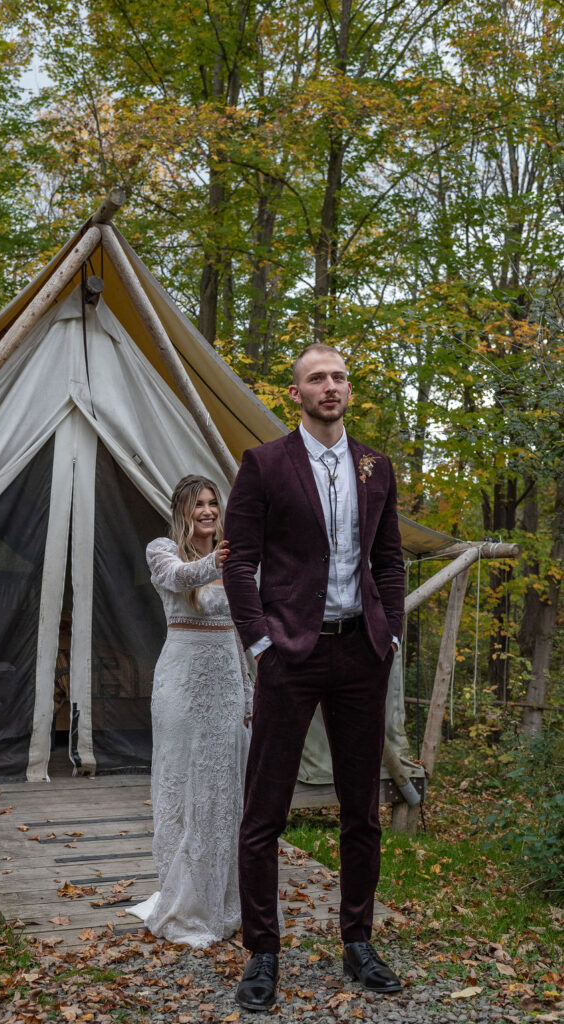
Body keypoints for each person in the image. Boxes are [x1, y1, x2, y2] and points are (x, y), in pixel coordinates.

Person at [223, 343, 405, 1010]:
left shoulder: (376, 466)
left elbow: (388, 559)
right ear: (294, 394)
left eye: (339, 377)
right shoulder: (264, 465)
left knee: (361, 810)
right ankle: (263, 955)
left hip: (361, 652)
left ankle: (358, 942)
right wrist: (260, 644)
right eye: (317, 378)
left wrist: (390, 632)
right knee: (263, 812)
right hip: (289, 654)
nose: (331, 386)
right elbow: (238, 561)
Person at [129, 474, 252, 948]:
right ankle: (180, 897)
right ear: (183, 510)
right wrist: (216, 560)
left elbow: (241, 631)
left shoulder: (234, 558)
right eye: (198, 504)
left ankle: (220, 902)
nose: (207, 511)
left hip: (225, 678)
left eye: (213, 503)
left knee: (222, 792)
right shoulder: (162, 549)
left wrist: (247, 695)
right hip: (181, 680)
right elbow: (179, 578)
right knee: (182, 785)